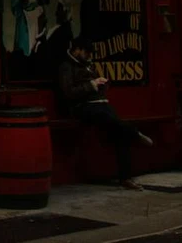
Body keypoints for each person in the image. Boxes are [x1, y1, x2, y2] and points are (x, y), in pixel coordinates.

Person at [57, 35, 153, 189]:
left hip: (100, 104)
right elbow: (68, 92)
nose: (89, 55)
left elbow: (94, 86)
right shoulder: (66, 67)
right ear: (77, 50)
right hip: (82, 107)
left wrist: (102, 84)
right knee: (117, 124)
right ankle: (135, 134)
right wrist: (92, 84)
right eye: (86, 52)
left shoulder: (88, 65)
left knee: (119, 131)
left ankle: (126, 178)